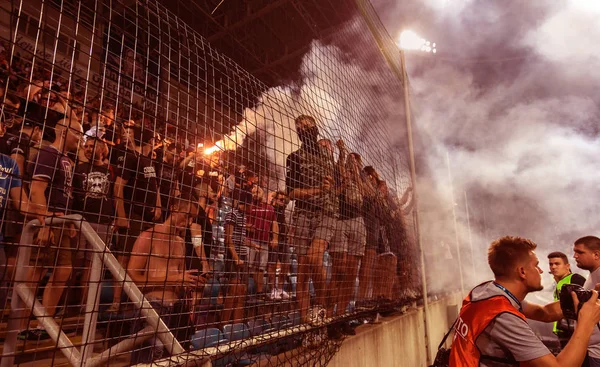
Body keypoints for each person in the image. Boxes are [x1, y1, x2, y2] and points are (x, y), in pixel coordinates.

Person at [449, 236, 600, 367]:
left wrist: (589, 298)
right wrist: (586, 322)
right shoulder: (503, 316)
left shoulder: (487, 292)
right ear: (522, 271)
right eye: (536, 265)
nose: (541, 271)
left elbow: (544, 313)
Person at [19, 117, 82, 340]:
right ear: (64, 131)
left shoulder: (66, 159)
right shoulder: (47, 154)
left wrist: (69, 223)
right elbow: (37, 190)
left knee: (63, 271)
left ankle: (42, 322)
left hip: (62, 222)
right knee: (36, 270)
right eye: (78, 133)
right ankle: (20, 324)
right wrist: (43, 221)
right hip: (49, 221)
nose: (81, 139)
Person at [127, 194, 205, 363]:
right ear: (174, 209)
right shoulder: (148, 236)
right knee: (149, 361)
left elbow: (181, 277)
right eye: (187, 215)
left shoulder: (180, 242)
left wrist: (192, 283)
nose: (189, 222)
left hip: (177, 310)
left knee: (175, 360)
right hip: (153, 308)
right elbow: (132, 277)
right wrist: (175, 279)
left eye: (192, 218)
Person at [286, 115, 337, 324]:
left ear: (315, 128)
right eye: (299, 128)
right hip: (303, 214)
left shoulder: (327, 156)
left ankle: (322, 310)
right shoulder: (294, 157)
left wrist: (332, 184)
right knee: (303, 269)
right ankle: (307, 320)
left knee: (315, 258)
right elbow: (291, 193)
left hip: (326, 212)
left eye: (307, 126)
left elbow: (336, 186)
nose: (303, 130)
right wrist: (317, 189)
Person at [111, 124, 161, 312]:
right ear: (150, 141)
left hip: (148, 219)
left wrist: (158, 205)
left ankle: (136, 303)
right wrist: (122, 216)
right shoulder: (132, 159)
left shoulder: (149, 161)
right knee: (124, 259)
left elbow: (154, 186)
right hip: (133, 216)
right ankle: (116, 302)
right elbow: (118, 187)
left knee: (144, 261)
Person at [72, 129, 116, 306]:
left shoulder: (110, 171)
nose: (88, 149)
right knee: (75, 265)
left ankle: (85, 308)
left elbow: (113, 195)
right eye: (87, 146)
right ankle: (66, 305)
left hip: (103, 223)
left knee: (91, 269)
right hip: (82, 222)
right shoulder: (79, 168)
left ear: (101, 148)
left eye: (92, 146)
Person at [547, 251, 586, 348]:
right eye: (551, 264)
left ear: (567, 266)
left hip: (573, 330)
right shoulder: (559, 282)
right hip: (563, 330)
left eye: (557, 264)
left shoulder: (575, 278)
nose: (553, 267)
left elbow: (586, 304)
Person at [246, 185, 278, 298]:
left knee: (261, 268)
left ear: (263, 193)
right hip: (250, 241)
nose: (255, 194)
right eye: (253, 192)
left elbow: (274, 223)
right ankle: (245, 291)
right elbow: (241, 222)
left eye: (257, 192)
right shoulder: (248, 206)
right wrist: (246, 226)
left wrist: (275, 238)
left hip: (264, 242)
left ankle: (259, 292)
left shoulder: (269, 208)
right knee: (247, 266)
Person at [573, 236, 600, 366]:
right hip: (590, 349)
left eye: (580, 252)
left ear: (596, 254)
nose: (575, 256)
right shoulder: (591, 276)